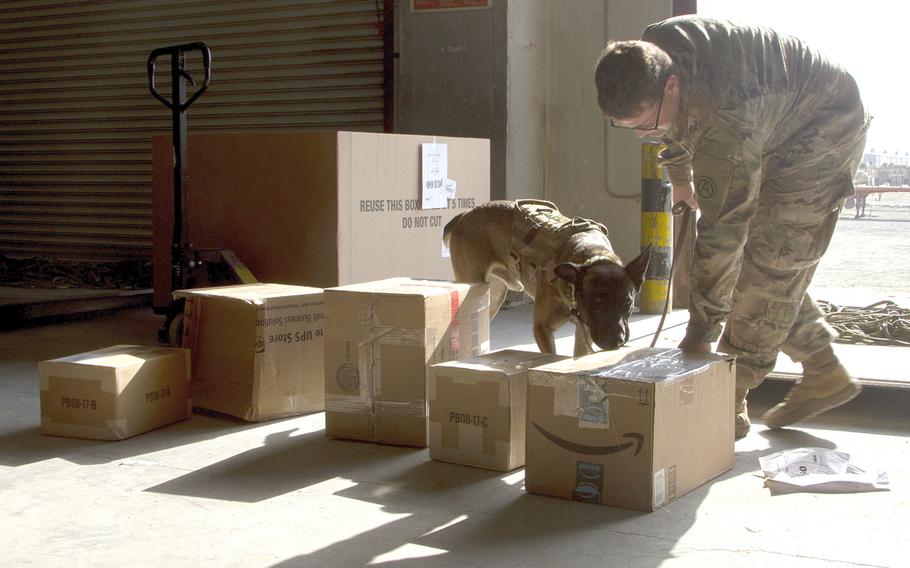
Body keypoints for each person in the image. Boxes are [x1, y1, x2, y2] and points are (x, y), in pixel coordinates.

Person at [594, 16, 870, 439]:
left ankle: (726, 396)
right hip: (771, 117)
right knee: (755, 260)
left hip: (823, 126)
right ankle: (824, 368)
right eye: (627, 127)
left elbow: (723, 235)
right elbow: (671, 126)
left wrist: (700, 337)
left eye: (645, 124)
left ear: (670, 86)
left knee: (772, 262)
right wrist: (681, 176)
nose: (641, 136)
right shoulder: (649, 54)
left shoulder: (727, 115)